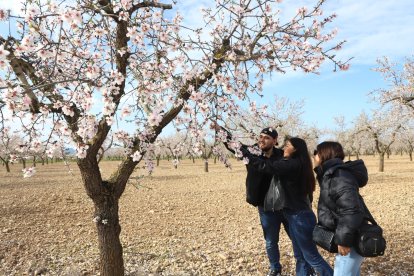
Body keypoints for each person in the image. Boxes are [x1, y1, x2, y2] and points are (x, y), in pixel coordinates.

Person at [240, 137, 333, 276]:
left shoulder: (292, 164)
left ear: (295, 149)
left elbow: (267, 167)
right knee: (300, 257)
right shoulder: (299, 163)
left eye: (287, 145)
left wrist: (247, 154)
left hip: (300, 218)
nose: (283, 147)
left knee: (311, 257)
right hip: (296, 216)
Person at [313, 141, 368, 276]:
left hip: (351, 241)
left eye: (316, 153)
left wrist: (343, 240)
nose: (314, 156)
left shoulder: (339, 176)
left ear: (323, 155)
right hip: (349, 237)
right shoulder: (331, 175)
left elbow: (351, 210)